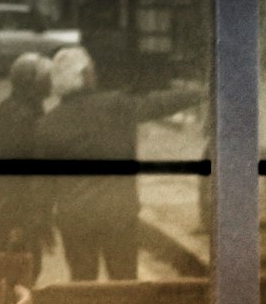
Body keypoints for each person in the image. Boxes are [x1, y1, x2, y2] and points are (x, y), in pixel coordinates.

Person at [38, 45, 201, 281]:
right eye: (91, 71)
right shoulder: (115, 105)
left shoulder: (47, 124)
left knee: (83, 284)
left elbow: (43, 182)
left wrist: (42, 221)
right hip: (118, 213)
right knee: (125, 280)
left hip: (75, 219)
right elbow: (157, 104)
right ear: (84, 76)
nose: (95, 75)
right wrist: (199, 94)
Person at [0, 52, 54, 284]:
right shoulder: (22, 118)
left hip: (15, 213)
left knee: (19, 274)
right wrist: (16, 224)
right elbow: (12, 178)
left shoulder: (17, 110)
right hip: (16, 215)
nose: (51, 82)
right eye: (45, 78)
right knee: (18, 277)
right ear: (34, 83)